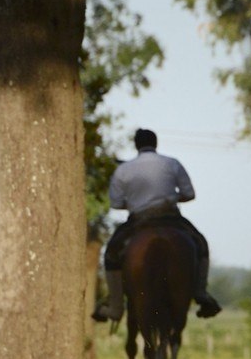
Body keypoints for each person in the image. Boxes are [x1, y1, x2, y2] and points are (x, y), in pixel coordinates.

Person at [92, 128, 222, 323]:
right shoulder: (172, 163)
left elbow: (116, 203)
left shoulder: (124, 169)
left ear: (136, 145)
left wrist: (136, 202)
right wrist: (170, 198)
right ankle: (201, 293)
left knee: (111, 253)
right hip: (170, 215)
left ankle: (116, 306)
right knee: (200, 244)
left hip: (139, 219)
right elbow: (189, 194)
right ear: (156, 143)